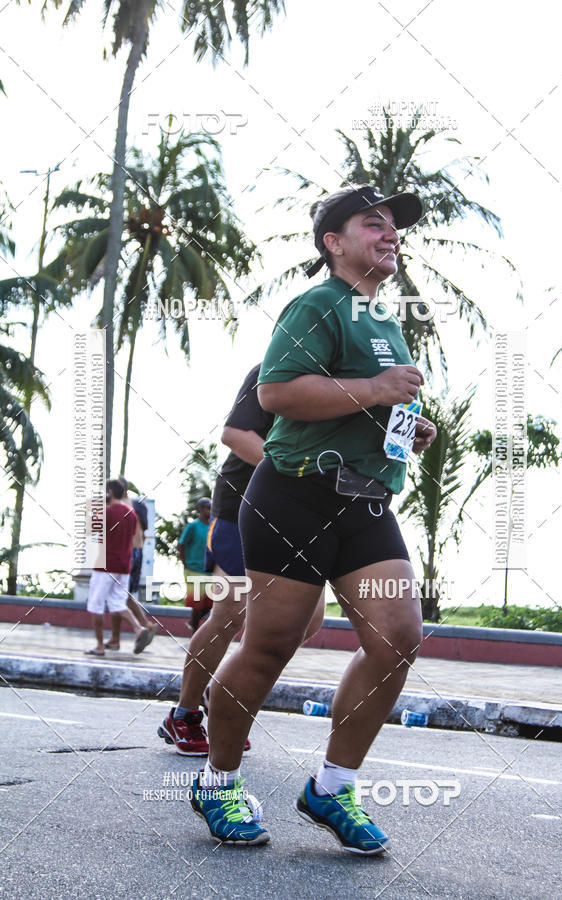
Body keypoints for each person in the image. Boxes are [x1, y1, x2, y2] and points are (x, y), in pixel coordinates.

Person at [192, 184, 437, 852]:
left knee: (398, 637)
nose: (390, 234)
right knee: (270, 646)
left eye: (394, 227)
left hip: (364, 502)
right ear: (334, 241)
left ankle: (331, 788)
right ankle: (218, 784)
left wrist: (403, 423)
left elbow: (358, 401)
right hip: (295, 497)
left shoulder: (383, 321)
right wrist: (378, 391)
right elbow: (277, 392)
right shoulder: (318, 304)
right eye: (373, 223)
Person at [158, 364, 325, 756]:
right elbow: (234, 434)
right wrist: (292, 472)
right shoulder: (277, 366)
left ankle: (224, 690)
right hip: (240, 508)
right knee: (229, 612)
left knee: (310, 617)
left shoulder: (348, 378)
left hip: (300, 516)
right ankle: (183, 714)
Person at [86, 479, 154, 656]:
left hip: (105, 565)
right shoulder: (131, 514)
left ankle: (100, 646)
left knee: (96, 605)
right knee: (117, 603)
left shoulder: (107, 512)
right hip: (124, 565)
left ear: (109, 492)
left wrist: (91, 509)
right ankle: (139, 628)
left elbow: (88, 529)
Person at [105, 477, 158, 651]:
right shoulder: (137, 505)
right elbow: (144, 530)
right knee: (124, 595)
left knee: (118, 595)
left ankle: (142, 626)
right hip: (138, 552)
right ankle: (119, 637)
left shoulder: (115, 507)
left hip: (126, 552)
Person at [179, 498, 212, 633]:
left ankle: (193, 623)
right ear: (201, 509)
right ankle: (194, 633)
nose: (210, 511)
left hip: (209, 570)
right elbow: (181, 545)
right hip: (194, 569)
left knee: (211, 603)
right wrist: (185, 564)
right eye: (208, 508)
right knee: (197, 604)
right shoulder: (193, 526)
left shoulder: (213, 526)